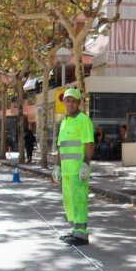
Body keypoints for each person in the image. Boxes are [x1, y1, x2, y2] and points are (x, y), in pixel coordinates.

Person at [52, 88, 95, 245]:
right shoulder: (64, 121)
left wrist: (85, 164)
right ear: (64, 103)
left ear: (78, 103)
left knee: (79, 201)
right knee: (68, 201)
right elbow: (60, 147)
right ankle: (75, 230)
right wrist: (56, 166)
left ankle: (82, 234)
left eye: (73, 101)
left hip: (78, 171)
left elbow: (89, 143)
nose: (70, 104)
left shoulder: (83, 120)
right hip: (66, 171)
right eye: (67, 100)